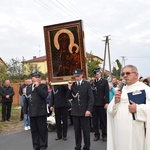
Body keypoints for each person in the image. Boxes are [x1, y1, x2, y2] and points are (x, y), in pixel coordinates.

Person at [107, 65, 150, 150]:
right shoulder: (120, 90)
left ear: (136, 75)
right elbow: (110, 111)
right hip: (120, 130)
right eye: (123, 74)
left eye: (128, 73)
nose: (125, 76)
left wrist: (137, 109)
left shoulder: (145, 89)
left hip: (135, 130)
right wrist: (115, 102)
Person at [68, 69, 94, 150]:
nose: (77, 78)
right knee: (77, 131)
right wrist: (69, 88)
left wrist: (89, 110)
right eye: (75, 76)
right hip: (75, 111)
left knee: (86, 131)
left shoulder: (86, 84)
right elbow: (69, 97)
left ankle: (86, 147)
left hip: (84, 111)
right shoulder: (73, 85)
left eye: (78, 76)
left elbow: (91, 98)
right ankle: (78, 146)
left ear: (81, 75)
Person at [24, 72, 48, 150]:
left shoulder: (43, 86)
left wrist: (37, 87)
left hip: (40, 111)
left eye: (39, 77)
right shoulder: (28, 87)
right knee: (34, 130)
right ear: (32, 78)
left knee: (42, 130)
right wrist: (25, 111)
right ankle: (36, 145)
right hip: (32, 111)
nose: (38, 78)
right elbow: (26, 100)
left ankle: (43, 145)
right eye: (36, 77)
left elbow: (44, 95)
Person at [91, 68, 109, 142]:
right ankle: (96, 134)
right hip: (94, 104)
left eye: (97, 74)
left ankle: (104, 134)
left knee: (103, 120)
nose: (96, 76)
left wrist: (106, 102)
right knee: (94, 121)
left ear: (100, 74)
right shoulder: (93, 82)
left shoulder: (104, 81)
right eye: (95, 74)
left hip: (102, 104)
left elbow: (106, 93)